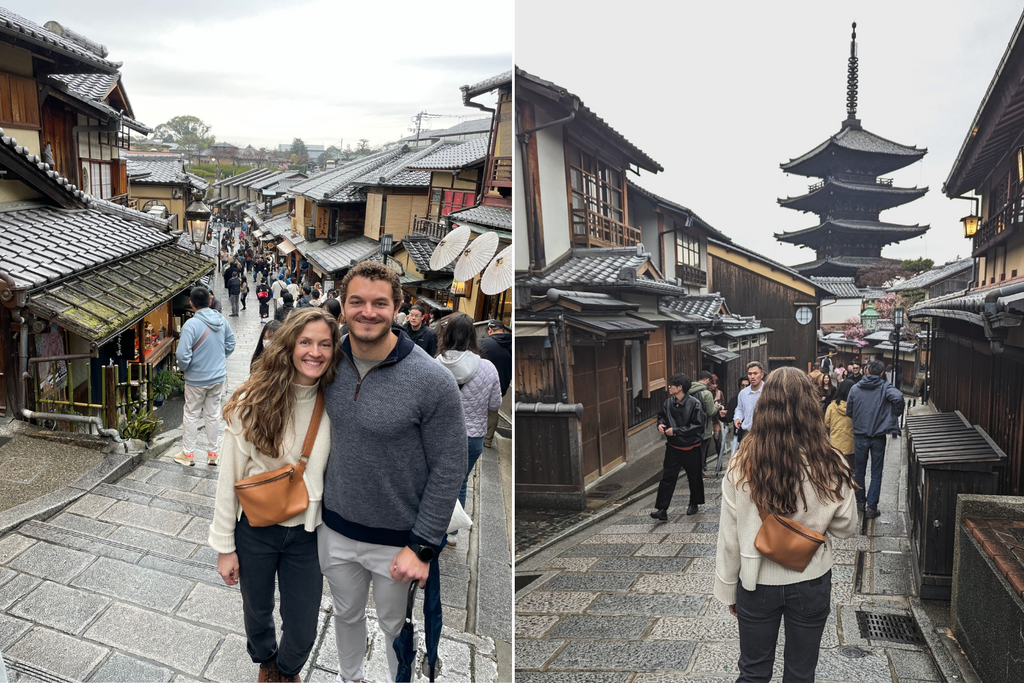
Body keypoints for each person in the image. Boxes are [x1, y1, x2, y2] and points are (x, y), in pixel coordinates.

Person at [319, 261, 466, 683]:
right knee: (344, 614)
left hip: (397, 540)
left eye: (380, 303)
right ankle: (350, 677)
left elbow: (449, 465)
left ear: (399, 306)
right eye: (357, 302)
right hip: (335, 527)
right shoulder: (327, 362)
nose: (368, 312)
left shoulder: (430, 379)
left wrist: (422, 546)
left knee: (394, 627)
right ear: (342, 307)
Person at [209, 308, 338, 683]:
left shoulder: (336, 399)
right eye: (306, 342)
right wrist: (224, 547)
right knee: (257, 612)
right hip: (256, 529)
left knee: (303, 626)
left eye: (325, 344)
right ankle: (266, 661)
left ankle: (287, 669)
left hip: (308, 534)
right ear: (289, 345)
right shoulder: (253, 397)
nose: (315, 352)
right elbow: (229, 476)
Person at [714, 367, 859, 683]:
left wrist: (728, 589)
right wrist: (817, 518)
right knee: (800, 672)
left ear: (764, 407)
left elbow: (729, 536)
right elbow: (846, 527)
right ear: (810, 406)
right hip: (810, 578)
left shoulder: (741, 462)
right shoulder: (831, 460)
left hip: (756, 582)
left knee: (753, 672)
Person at [435, 312, 502, 547]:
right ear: (474, 336)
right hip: (472, 436)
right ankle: (452, 533)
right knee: (461, 482)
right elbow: (495, 404)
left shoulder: (435, 365)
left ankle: (432, 527)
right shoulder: (488, 368)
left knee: (435, 481)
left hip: (440, 436)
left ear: (447, 335)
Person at [173, 287, 236, 468]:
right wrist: (219, 356)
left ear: (191, 304)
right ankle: (213, 454)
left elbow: (182, 355)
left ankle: (188, 454)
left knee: (191, 414)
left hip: (196, 379)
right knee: (213, 414)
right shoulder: (221, 320)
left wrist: (187, 368)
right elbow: (231, 343)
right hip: (217, 377)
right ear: (210, 301)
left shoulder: (191, 325)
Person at [846, 360, 903, 519]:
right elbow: (898, 397)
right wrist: (893, 414)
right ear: (881, 373)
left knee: (859, 471)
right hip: (878, 436)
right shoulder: (885, 387)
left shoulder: (855, 389)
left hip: (860, 435)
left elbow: (849, 410)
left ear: (867, 372)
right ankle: (871, 507)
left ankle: (860, 503)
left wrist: (858, 419)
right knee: (876, 472)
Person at [651, 373, 706, 520]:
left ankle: (694, 502)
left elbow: (698, 426)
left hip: (691, 447)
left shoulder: (695, 404)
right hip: (673, 448)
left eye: (672, 385)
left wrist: (675, 431)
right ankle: (662, 509)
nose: (669, 387)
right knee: (667, 478)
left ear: (680, 387)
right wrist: (660, 424)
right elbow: (661, 415)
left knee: (694, 478)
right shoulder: (668, 402)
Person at [479, 319, 512, 448]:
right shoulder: (512, 343)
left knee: (480, 407)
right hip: (503, 382)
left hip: (484, 381)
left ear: (490, 330)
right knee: (493, 410)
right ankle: (488, 439)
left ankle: (477, 434)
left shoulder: (484, 343)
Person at [690, 371, 719, 476]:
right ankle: (700, 471)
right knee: (702, 449)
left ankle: (692, 471)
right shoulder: (706, 393)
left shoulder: (688, 391)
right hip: (703, 426)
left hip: (689, 426)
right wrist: (717, 406)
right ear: (707, 380)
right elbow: (711, 411)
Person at [718, 377, 749, 472]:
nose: (744, 388)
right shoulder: (734, 400)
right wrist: (722, 415)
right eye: (742, 385)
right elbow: (729, 417)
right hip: (740, 434)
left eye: (747, 386)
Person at [825, 379, 856, 469]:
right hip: (851, 445)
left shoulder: (832, 406)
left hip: (836, 444)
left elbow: (827, 423)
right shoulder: (855, 406)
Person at [733, 361, 765, 445]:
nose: (752, 376)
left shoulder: (768, 391)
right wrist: (737, 418)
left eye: (755, 373)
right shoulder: (743, 393)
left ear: (762, 375)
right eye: (750, 374)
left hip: (764, 434)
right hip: (747, 433)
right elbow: (739, 408)